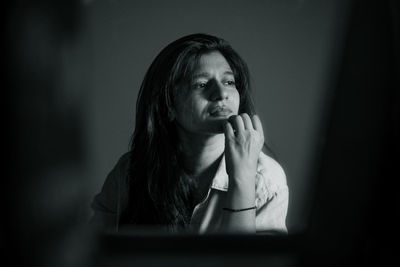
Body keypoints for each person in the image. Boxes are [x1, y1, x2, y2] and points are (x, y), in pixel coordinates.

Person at [91, 33, 288, 234]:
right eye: (201, 85)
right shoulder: (129, 173)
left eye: (229, 82)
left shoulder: (266, 180)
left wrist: (243, 178)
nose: (221, 94)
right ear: (168, 105)